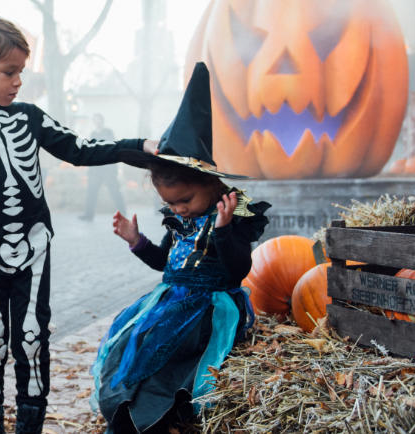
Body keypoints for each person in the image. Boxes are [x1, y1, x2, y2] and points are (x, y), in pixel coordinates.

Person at [0, 14, 157, 434]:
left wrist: (138, 147)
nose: (18, 82)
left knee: (34, 340)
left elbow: (80, 149)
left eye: (21, 72)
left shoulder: (30, 117)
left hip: (35, 247)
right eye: (9, 72)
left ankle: (30, 427)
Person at [91, 62, 270, 432]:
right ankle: (130, 412)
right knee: (133, 346)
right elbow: (165, 264)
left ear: (211, 182)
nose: (179, 210)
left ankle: (166, 417)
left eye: (185, 200)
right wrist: (136, 241)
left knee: (171, 365)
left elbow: (238, 270)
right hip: (171, 302)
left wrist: (222, 230)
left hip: (206, 311)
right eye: (171, 204)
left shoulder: (231, 218)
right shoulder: (181, 220)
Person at [79, 113, 127, 222]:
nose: (97, 122)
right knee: (91, 192)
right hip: (96, 169)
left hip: (108, 168)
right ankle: (88, 214)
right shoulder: (93, 133)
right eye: (95, 120)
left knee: (115, 191)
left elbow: (112, 146)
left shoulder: (108, 132)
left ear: (102, 121)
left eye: (98, 120)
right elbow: (90, 149)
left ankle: (123, 212)